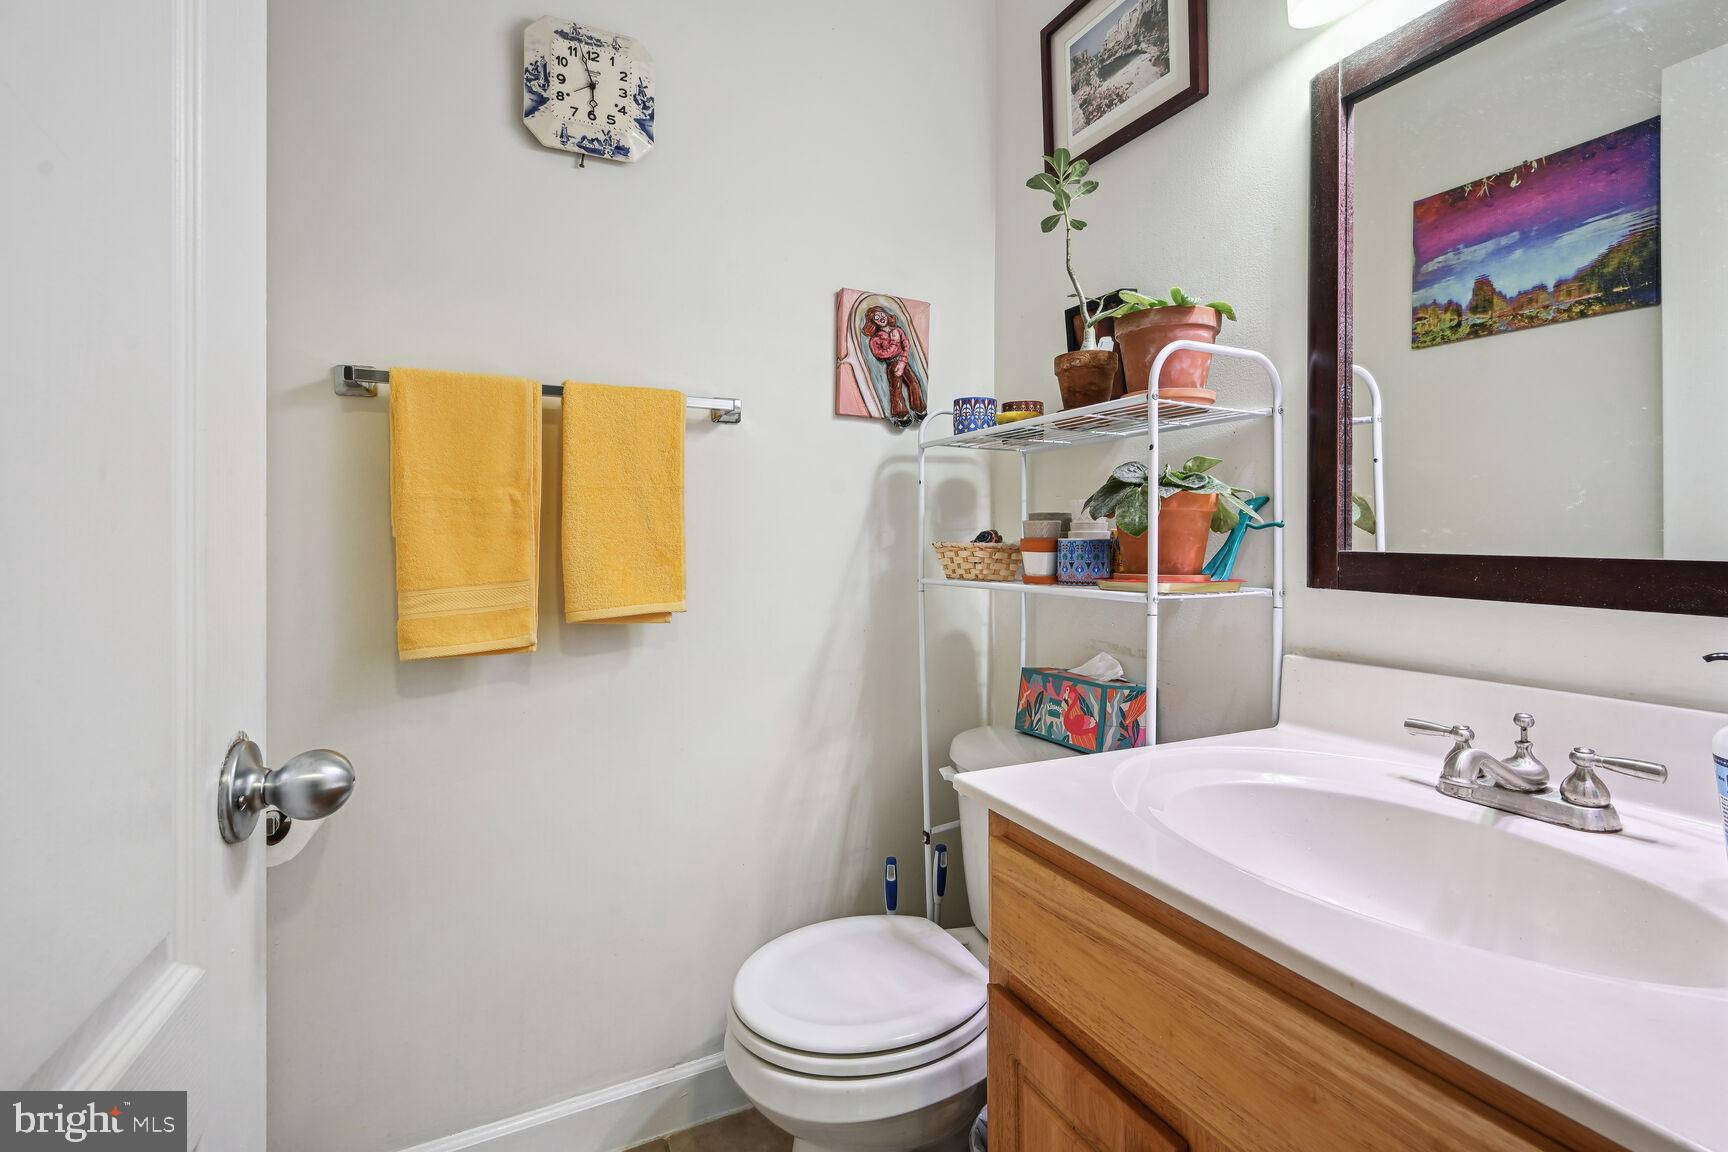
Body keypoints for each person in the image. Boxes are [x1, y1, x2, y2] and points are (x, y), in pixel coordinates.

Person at [863, 305, 926, 425]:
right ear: (873, 322)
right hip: (892, 365)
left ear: (886, 314)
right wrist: (894, 342)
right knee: (896, 389)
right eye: (876, 318)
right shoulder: (875, 339)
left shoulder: (898, 330)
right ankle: (901, 415)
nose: (881, 318)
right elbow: (881, 354)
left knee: (914, 383)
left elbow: (906, 345)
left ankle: (919, 409)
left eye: (882, 314)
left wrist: (902, 361)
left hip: (903, 361)